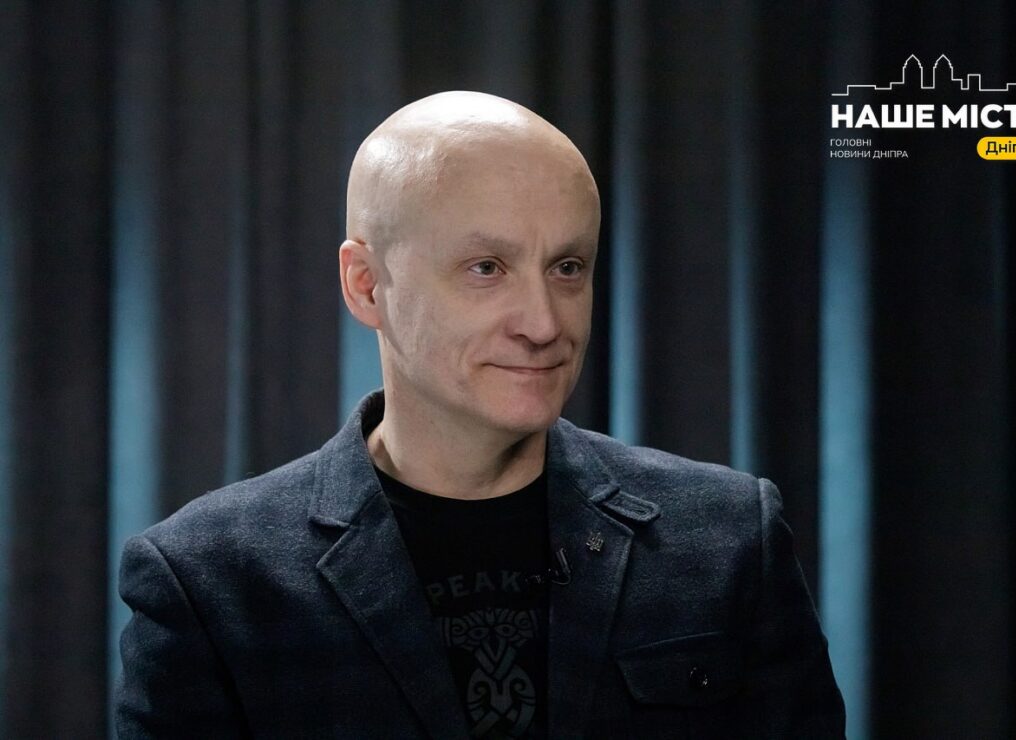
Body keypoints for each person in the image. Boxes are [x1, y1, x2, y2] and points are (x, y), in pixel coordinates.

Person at [116, 91, 845, 738]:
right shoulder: (211, 582)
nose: (543, 323)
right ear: (367, 286)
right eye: (486, 269)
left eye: (567, 268)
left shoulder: (728, 539)